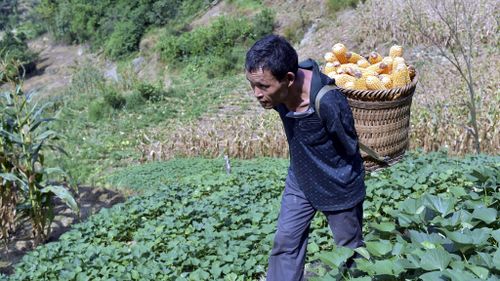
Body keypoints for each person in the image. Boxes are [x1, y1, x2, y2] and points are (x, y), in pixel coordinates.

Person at [244, 34, 366, 281]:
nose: (256, 94)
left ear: (289, 79)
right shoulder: (277, 94)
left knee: (349, 249)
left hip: (337, 182)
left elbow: (349, 146)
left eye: (263, 86)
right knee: (286, 242)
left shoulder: (327, 101)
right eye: (252, 85)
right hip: (300, 176)